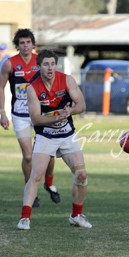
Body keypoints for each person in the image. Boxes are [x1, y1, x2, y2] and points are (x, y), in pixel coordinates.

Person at [17, 49, 91, 230]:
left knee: (81, 175)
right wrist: (56, 118)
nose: (50, 68)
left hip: (67, 136)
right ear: (38, 66)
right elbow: (35, 119)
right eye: (46, 64)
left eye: (53, 64)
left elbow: (81, 105)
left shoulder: (67, 80)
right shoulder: (32, 88)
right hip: (45, 136)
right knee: (35, 175)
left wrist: (70, 111)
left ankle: (76, 215)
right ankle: (25, 218)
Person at [0, 29, 59, 208]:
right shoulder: (9, 64)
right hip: (20, 116)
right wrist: (2, 112)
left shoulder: (41, 62)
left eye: (28, 42)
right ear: (17, 45)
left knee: (49, 153)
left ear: (33, 45)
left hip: (41, 113)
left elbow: (53, 83)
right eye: (22, 43)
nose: (25, 46)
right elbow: (0, 87)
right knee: (28, 156)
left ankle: (49, 183)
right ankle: (30, 192)